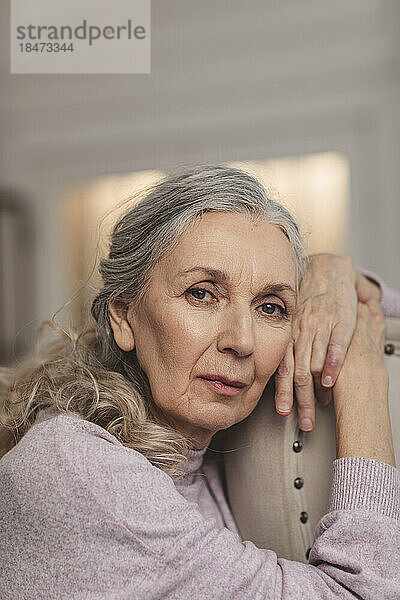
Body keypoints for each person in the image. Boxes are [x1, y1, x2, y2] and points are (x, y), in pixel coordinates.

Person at [0, 164, 399, 599]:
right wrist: (361, 384)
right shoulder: (80, 473)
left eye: (270, 307)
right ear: (123, 315)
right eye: (202, 294)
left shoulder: (196, 446)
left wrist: (336, 276)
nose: (242, 341)